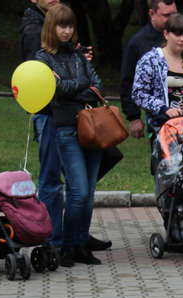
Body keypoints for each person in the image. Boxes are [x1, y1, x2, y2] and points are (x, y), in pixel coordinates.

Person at [35, 4, 105, 267]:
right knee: (78, 190)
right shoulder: (43, 59)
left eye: (70, 26)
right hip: (65, 128)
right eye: (61, 25)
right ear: (51, 28)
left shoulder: (79, 57)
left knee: (88, 193)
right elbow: (54, 91)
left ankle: (78, 244)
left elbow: (99, 88)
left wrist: (72, 88)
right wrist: (82, 85)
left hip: (93, 128)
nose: (67, 30)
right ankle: (65, 245)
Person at [121, 0, 183, 141]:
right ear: (152, 14)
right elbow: (131, 86)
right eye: (167, 15)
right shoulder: (139, 46)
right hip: (162, 124)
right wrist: (134, 116)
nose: (182, 39)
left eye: (175, 13)